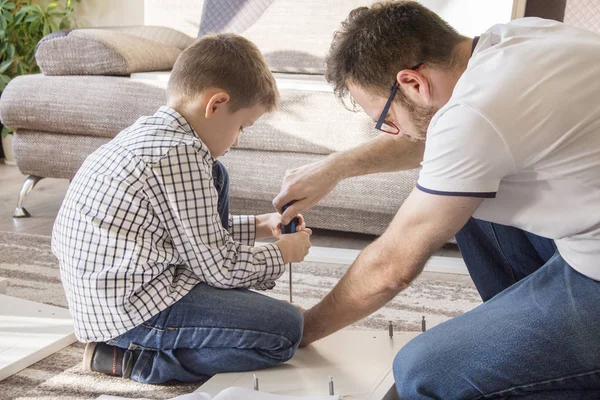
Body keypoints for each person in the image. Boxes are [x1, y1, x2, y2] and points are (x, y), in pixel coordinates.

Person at [274, 1, 600, 398]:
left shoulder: (476, 114)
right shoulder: (518, 39)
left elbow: (392, 267)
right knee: (468, 200)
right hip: (586, 235)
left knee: (422, 372)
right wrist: (334, 169)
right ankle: (529, 357)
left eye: (386, 120)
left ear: (413, 82)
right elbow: (446, 142)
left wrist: (303, 329)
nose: (392, 132)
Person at [52, 33, 313, 384]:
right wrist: (282, 254)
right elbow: (219, 267)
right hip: (132, 312)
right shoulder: (180, 154)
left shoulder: (151, 133)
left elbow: (183, 231)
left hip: (107, 298)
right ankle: (135, 361)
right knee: (285, 331)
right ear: (216, 104)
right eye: (241, 127)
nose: (236, 140)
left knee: (216, 171)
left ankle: (196, 321)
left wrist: (260, 226)